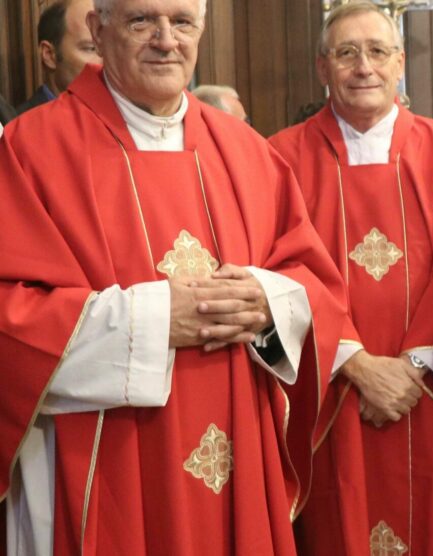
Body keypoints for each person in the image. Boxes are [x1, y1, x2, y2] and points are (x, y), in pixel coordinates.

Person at [0, 0, 348, 553]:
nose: (166, 39)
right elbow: (10, 321)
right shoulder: (31, 149)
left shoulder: (247, 151)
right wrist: (155, 318)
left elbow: (313, 283)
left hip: (239, 443)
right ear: (97, 28)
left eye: (183, 22)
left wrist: (268, 302)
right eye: (142, 21)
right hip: (102, 456)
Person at [267, 4, 433, 554]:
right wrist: (356, 364)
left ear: (400, 63)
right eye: (346, 53)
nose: (364, 67)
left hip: (426, 394)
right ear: (323, 68)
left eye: (378, 52)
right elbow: (279, 270)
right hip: (332, 394)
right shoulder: (280, 157)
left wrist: (409, 367)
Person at [19, 0, 101, 115]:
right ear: (49, 55)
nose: (107, 62)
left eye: (110, 48)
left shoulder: (119, 119)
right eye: (91, 49)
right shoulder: (20, 128)